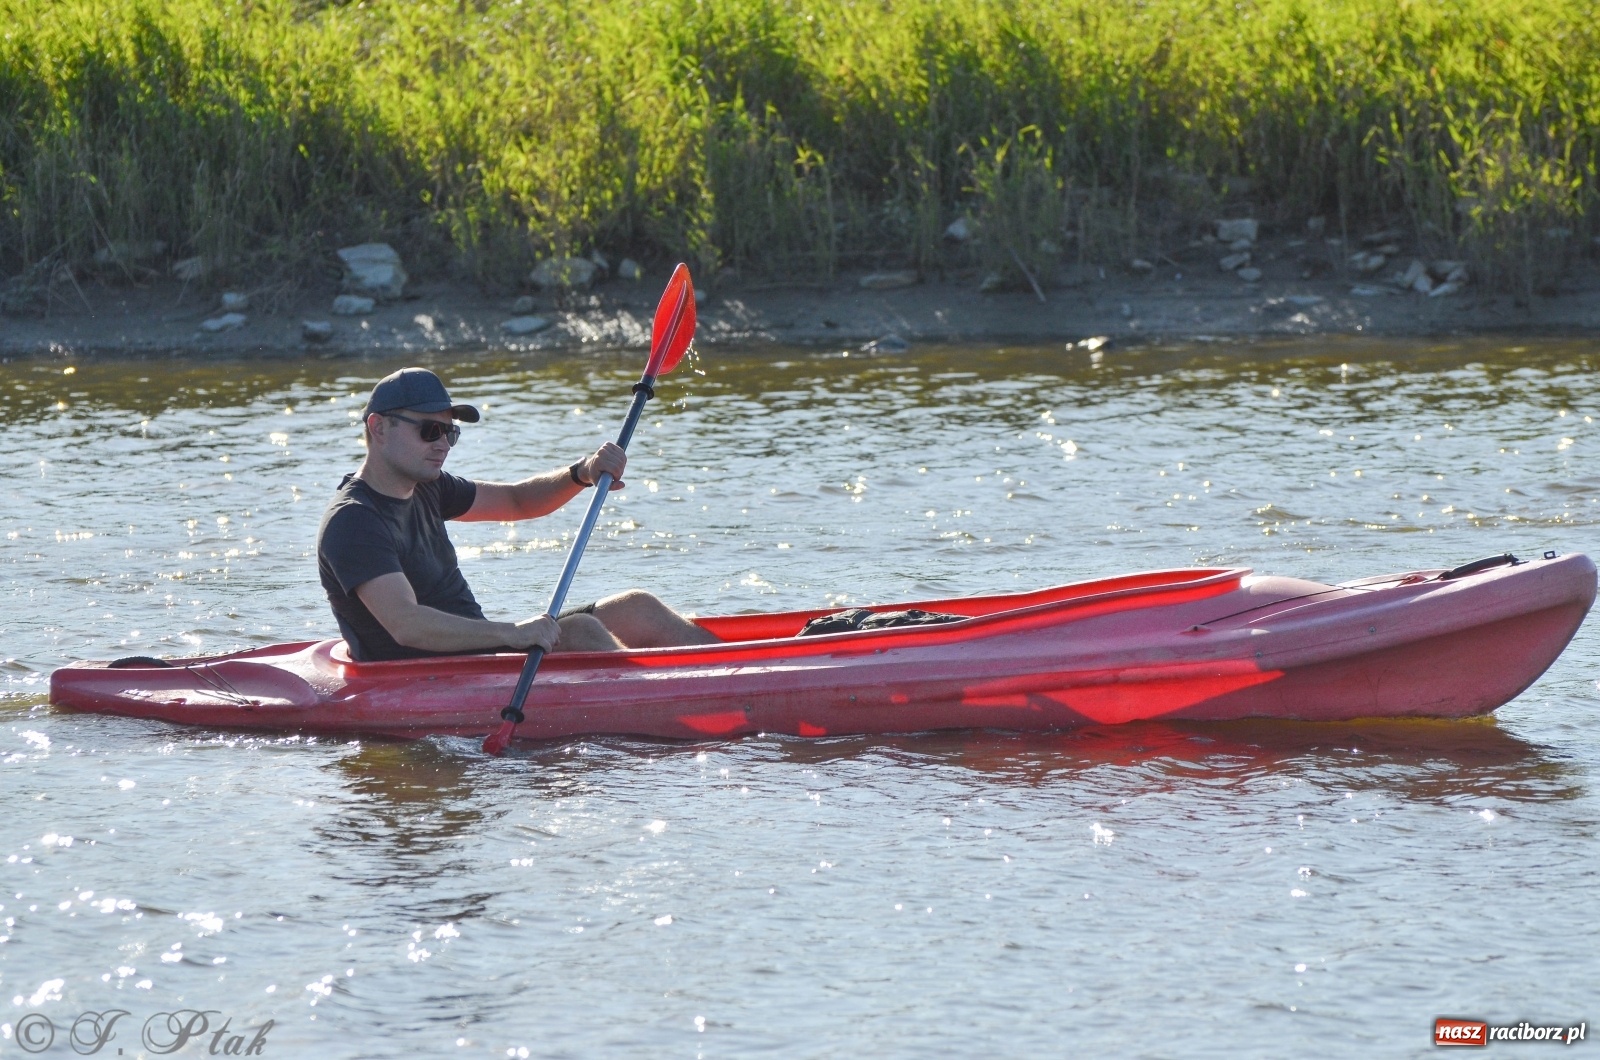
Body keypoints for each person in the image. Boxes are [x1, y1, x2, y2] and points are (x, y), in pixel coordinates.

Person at [317, 367, 719, 661]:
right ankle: (667, 703)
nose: (443, 444)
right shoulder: (354, 522)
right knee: (579, 632)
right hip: (421, 674)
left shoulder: (428, 486)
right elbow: (407, 625)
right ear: (378, 427)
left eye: (450, 433)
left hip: (476, 654)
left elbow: (516, 501)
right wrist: (513, 633)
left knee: (637, 606)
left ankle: (739, 671)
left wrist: (581, 473)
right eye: (429, 431)